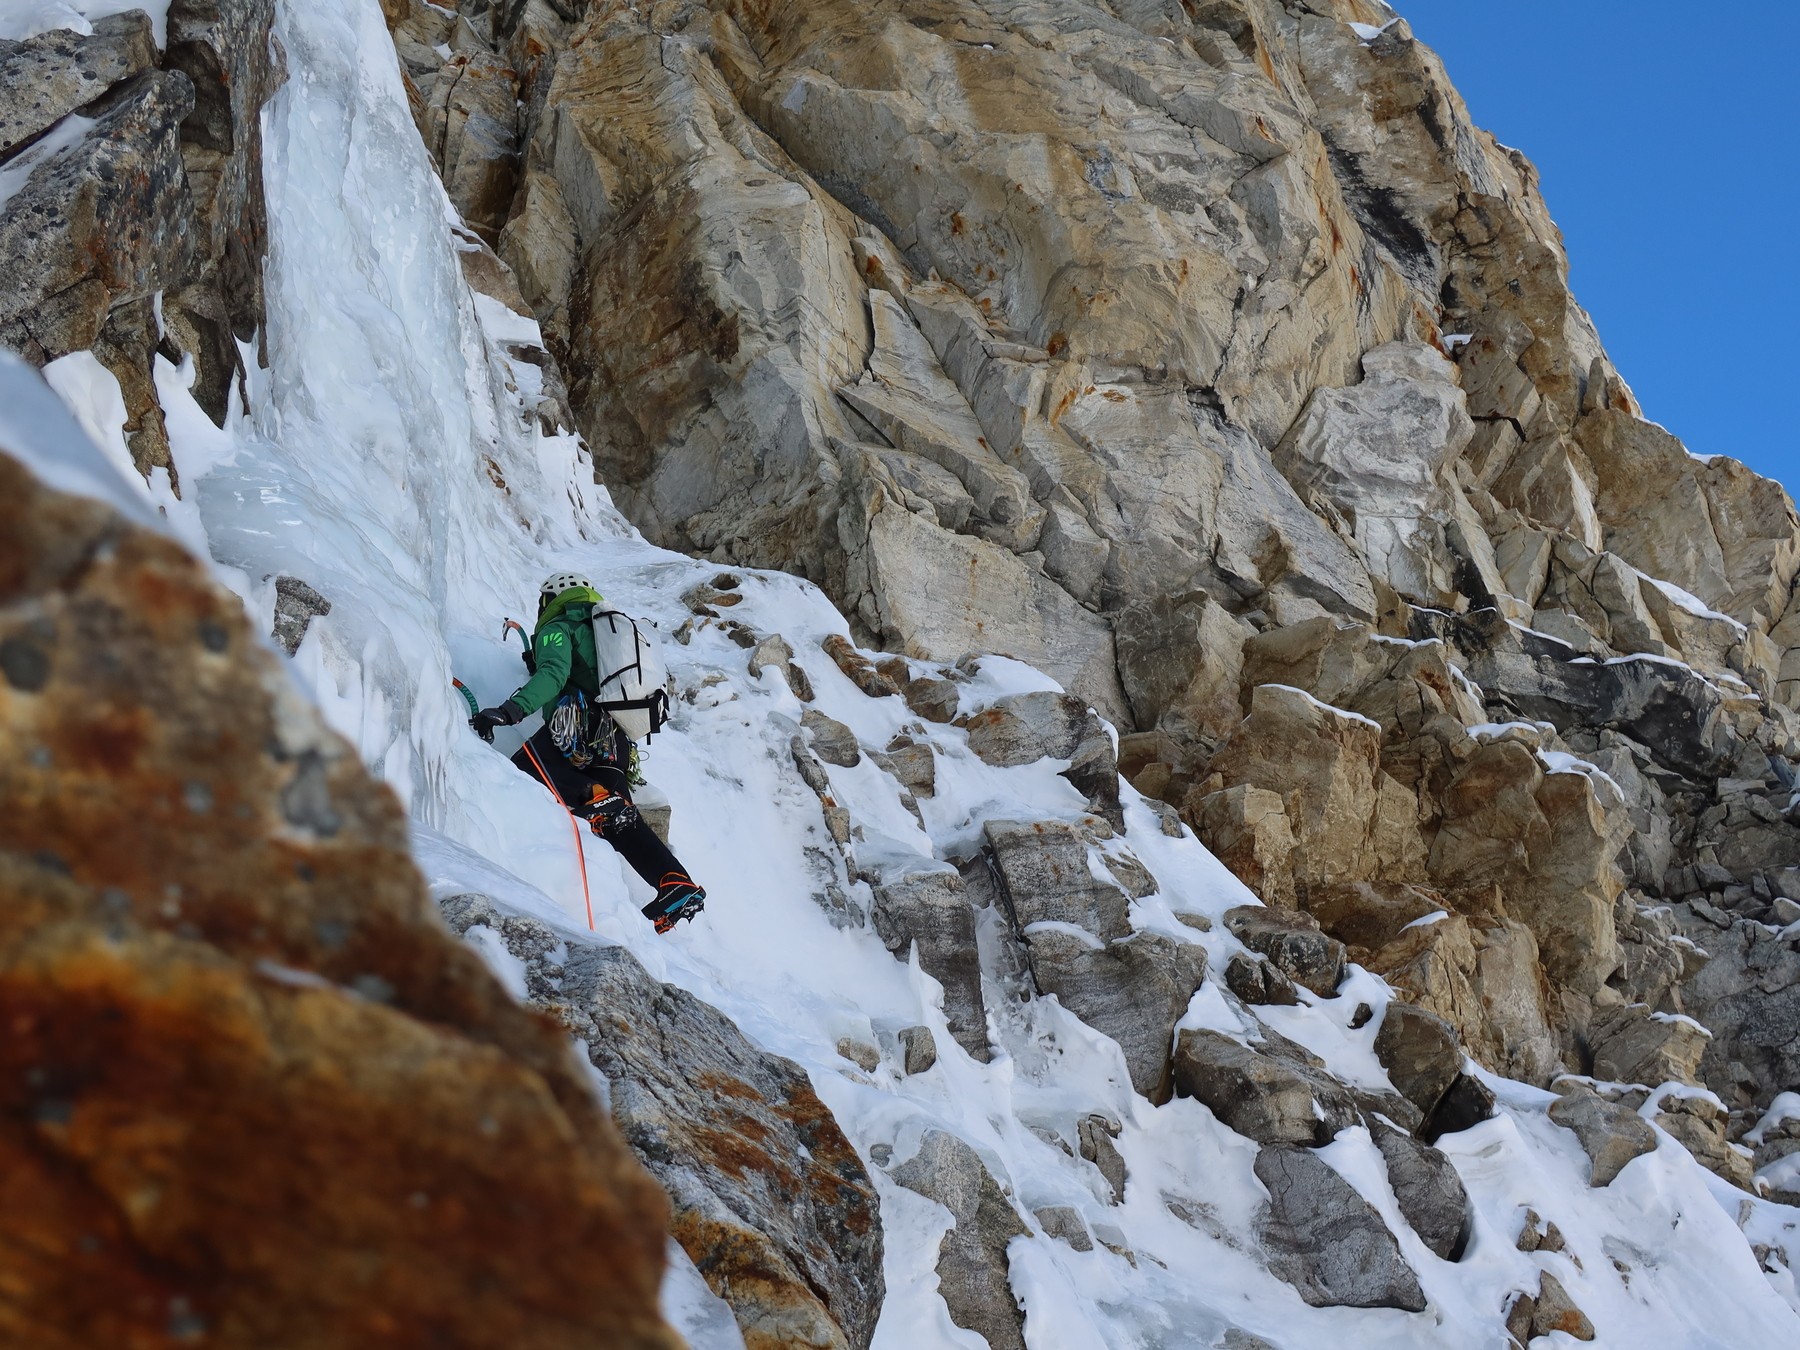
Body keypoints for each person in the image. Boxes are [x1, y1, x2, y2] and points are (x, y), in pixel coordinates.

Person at [472, 573, 705, 934]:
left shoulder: (560, 626)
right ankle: (676, 884)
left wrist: (509, 711)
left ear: (553, 597)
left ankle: (590, 794)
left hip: (577, 729)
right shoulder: (600, 634)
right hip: (615, 741)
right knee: (621, 822)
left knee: (524, 767)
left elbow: (553, 673)